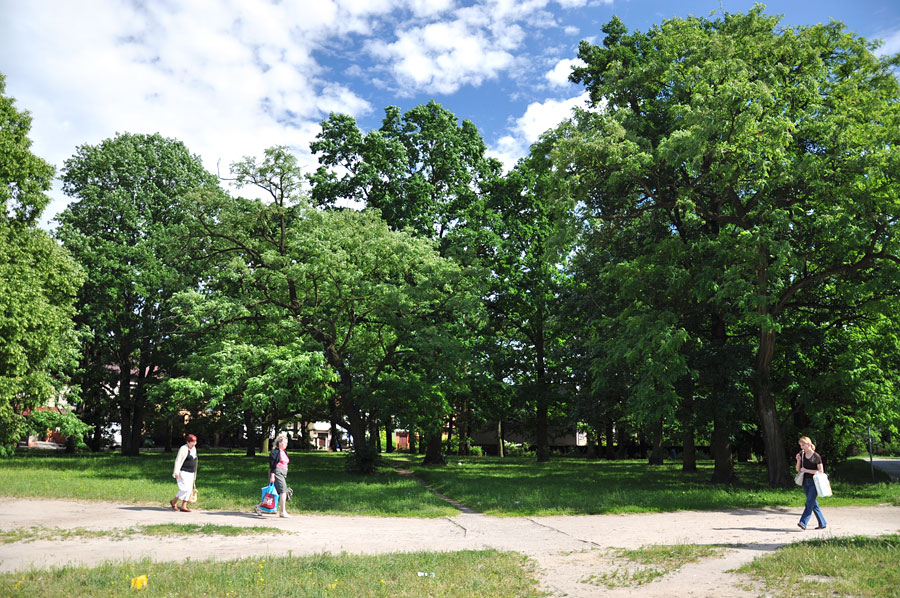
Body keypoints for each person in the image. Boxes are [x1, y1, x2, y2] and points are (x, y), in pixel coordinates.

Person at [255, 434, 291, 518]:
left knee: (272, 493)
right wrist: (272, 475)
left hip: (282, 473)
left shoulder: (284, 452)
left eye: (287, 443)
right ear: (280, 443)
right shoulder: (275, 452)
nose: (286, 444)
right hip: (277, 472)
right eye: (285, 443)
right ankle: (282, 512)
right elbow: (272, 464)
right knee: (283, 491)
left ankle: (258, 507)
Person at [796, 435, 827, 530]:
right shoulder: (802, 455)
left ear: (809, 444)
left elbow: (820, 471)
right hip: (805, 482)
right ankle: (823, 523)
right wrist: (798, 461)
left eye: (803, 445)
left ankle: (803, 522)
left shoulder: (816, 456)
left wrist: (807, 470)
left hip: (815, 482)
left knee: (809, 503)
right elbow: (799, 469)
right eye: (801, 445)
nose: (802, 447)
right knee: (813, 504)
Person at [171, 434, 198, 512]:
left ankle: (183, 506)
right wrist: (176, 472)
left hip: (191, 472)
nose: (194, 444)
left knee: (189, 490)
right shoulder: (183, 448)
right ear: (188, 442)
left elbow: (195, 460)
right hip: (183, 471)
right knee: (184, 489)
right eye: (192, 442)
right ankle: (174, 501)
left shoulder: (194, 449)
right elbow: (178, 460)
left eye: (195, 442)